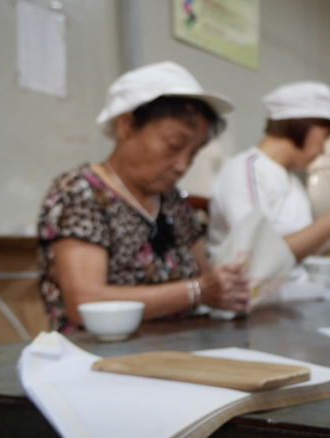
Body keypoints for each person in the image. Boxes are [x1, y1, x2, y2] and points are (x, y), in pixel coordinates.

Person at [37, 61, 250, 333]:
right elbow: (85, 302)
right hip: (99, 360)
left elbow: (204, 275)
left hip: (180, 351)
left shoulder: (171, 201)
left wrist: (227, 286)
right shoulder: (79, 193)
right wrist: (198, 292)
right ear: (127, 125)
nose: (183, 165)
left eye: (193, 153)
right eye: (174, 146)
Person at [208, 81, 330, 264]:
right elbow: (258, 253)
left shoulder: (292, 182)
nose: (322, 150)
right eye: (324, 138)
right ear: (307, 127)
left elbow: (295, 249)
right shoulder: (247, 170)